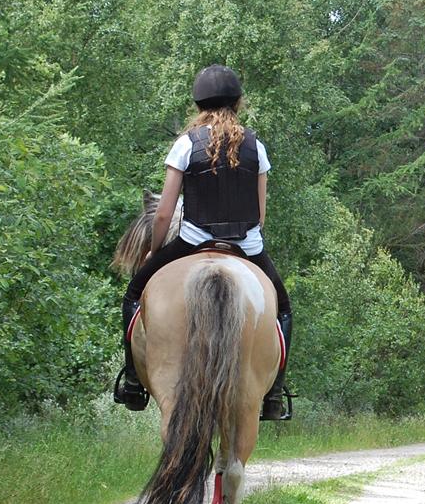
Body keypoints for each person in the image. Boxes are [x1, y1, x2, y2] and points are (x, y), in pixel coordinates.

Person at [113, 64, 293, 420]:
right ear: (238, 103)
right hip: (247, 246)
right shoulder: (256, 145)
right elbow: (260, 213)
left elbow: (163, 213)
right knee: (283, 309)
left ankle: (134, 381)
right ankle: (273, 392)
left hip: (192, 241)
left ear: (198, 105)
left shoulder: (185, 144)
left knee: (134, 295)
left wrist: (155, 249)